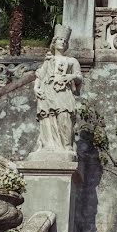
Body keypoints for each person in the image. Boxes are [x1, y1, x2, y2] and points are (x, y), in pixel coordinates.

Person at [33, 24, 83, 155]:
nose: (63, 42)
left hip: (63, 92)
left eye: (65, 41)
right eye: (60, 39)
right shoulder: (48, 60)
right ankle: (49, 145)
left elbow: (79, 78)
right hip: (47, 91)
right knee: (47, 118)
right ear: (54, 42)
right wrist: (35, 88)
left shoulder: (72, 61)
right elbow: (40, 75)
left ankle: (66, 146)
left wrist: (70, 76)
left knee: (64, 116)